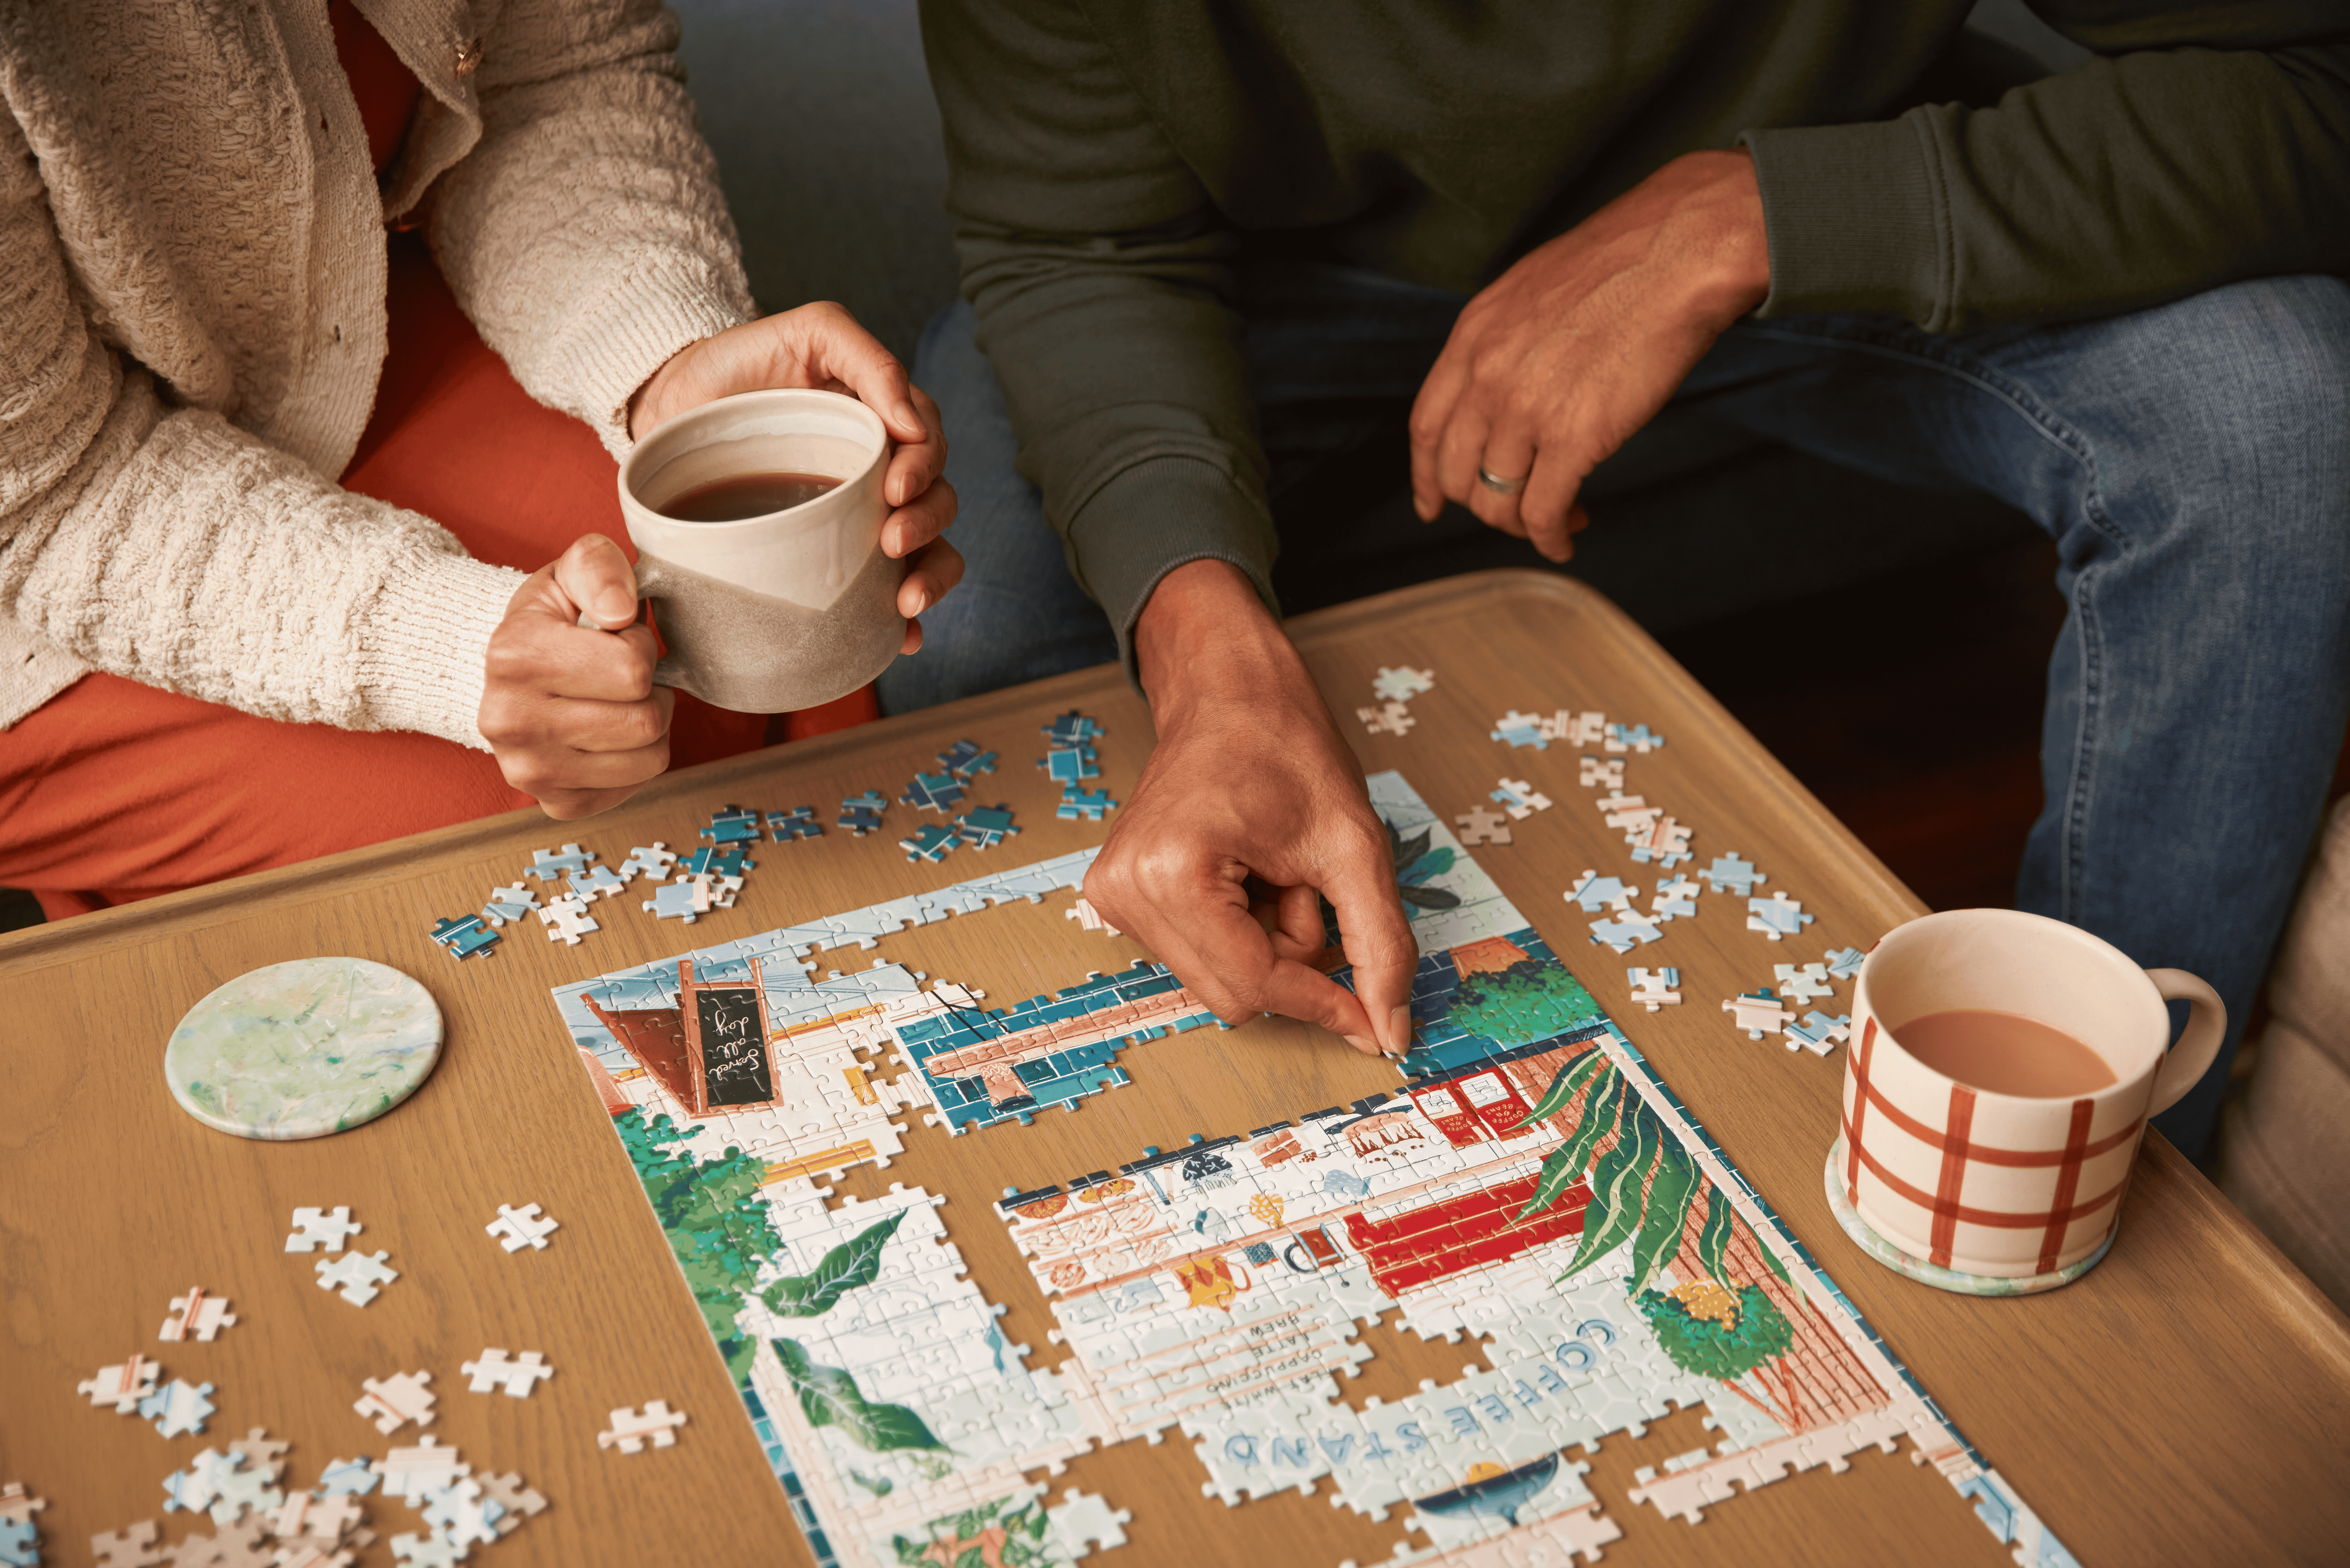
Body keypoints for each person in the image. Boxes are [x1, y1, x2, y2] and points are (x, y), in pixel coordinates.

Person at [894, 0, 2350, 1160]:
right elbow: (1082, 241)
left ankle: (2097, 1160)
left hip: (1807, 200)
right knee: (978, 618)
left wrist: (1755, 217)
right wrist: (1215, 659)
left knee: (2274, 425)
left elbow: (2315, 84)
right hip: (1276, 281)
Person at [0, 0, 961, 917]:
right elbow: (49, 495)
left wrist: (662, 366)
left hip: (340, 319)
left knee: (740, 642)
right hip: (58, 534)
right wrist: (447, 649)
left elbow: (556, 75)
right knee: (544, 825)